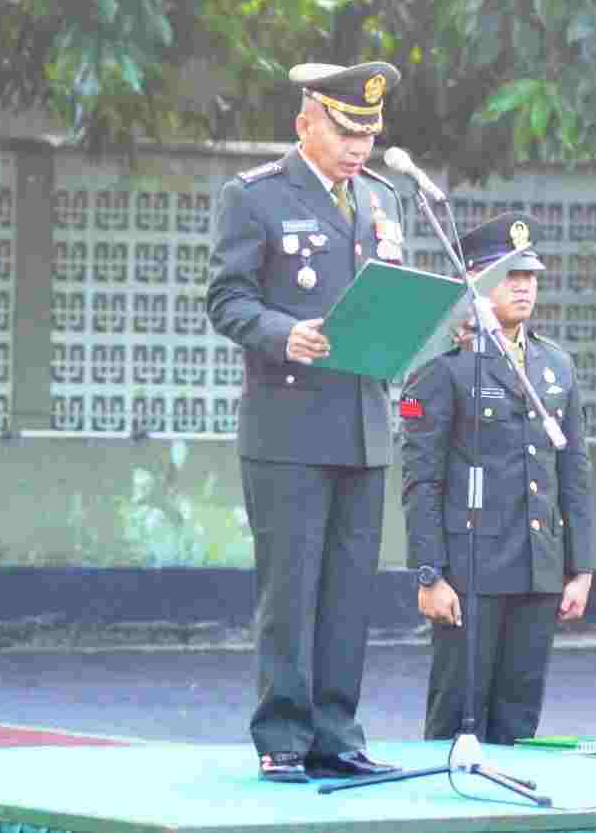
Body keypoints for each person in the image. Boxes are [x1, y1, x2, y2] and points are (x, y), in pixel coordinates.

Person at [206, 60, 406, 783]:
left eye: (369, 135)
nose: (359, 148)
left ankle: (336, 734)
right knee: (290, 591)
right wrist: (283, 332)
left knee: (349, 594)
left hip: (362, 421)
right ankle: (284, 737)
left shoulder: (383, 197)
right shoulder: (255, 196)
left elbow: (389, 296)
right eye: (346, 132)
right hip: (288, 426)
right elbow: (227, 299)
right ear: (304, 124)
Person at [399, 212, 594, 745]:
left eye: (530, 275)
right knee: (456, 716)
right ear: (476, 281)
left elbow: (573, 470)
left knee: (519, 718)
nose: (524, 286)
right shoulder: (444, 366)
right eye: (510, 275)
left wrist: (580, 567)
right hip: (472, 570)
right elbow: (421, 478)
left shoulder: (556, 365)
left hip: (538, 567)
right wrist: (430, 573)